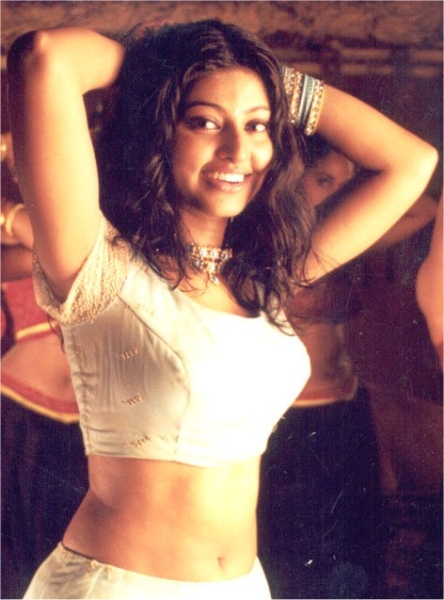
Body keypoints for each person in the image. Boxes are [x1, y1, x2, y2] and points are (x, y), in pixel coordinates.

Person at [7, 19, 437, 599]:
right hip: (117, 586)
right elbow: (45, 56)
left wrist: (263, 81)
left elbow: (411, 161)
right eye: (205, 121)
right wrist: (168, 71)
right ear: (160, 128)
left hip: (242, 585)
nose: (238, 150)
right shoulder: (99, 266)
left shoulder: (264, 277)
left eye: (257, 125)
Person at [258, 138, 441, 599]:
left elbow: (421, 210)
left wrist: (355, 184)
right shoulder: (261, 246)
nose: (335, 190)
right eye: (324, 180)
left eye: (344, 181)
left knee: (358, 547)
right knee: (287, 556)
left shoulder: (341, 240)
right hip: (287, 415)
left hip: (344, 402)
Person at [1, 133, 88, 598]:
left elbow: (77, 258)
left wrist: (11, 217)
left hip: (97, 431)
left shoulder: (108, 219)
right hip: (16, 419)